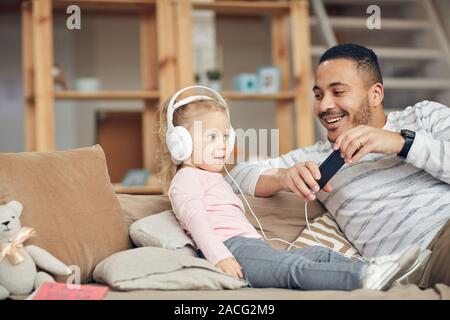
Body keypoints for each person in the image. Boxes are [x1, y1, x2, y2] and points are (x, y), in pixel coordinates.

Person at [227, 44, 450, 288]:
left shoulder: (424, 117)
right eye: (319, 95)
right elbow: (234, 177)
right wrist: (282, 176)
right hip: (422, 261)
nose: (324, 106)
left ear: (375, 94)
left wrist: (401, 143)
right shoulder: (316, 158)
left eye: (338, 92)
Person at [157, 85, 420, 291]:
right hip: (232, 250)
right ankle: (363, 277)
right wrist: (219, 258)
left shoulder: (215, 177)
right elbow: (197, 221)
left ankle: (383, 271)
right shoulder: (186, 180)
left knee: (317, 253)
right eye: (212, 136)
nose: (224, 144)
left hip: (251, 247)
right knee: (294, 269)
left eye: (226, 136)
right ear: (181, 144)